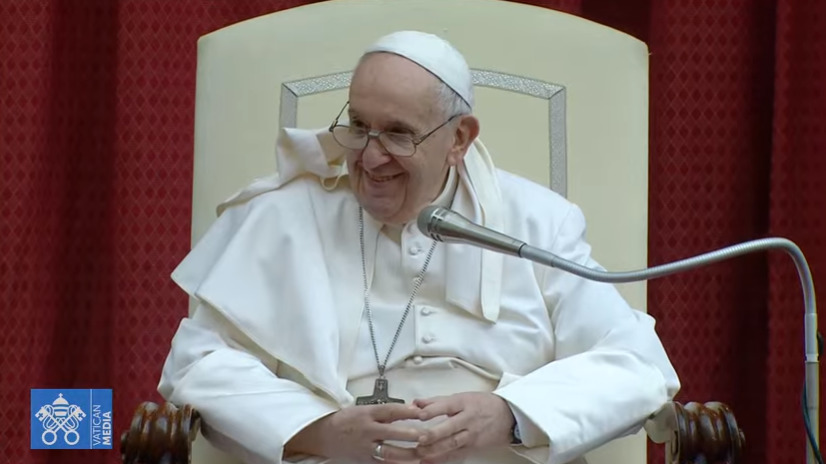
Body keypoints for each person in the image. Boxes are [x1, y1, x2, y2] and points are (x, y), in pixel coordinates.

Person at [158, 30, 680, 464]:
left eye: (398, 134)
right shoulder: (284, 217)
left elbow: (636, 364)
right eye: (359, 127)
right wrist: (318, 430)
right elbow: (197, 363)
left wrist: (511, 415)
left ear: (459, 139)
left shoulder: (538, 224)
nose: (370, 158)